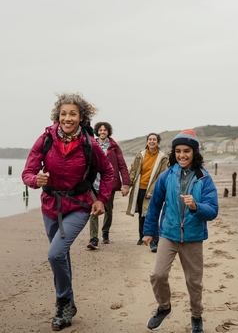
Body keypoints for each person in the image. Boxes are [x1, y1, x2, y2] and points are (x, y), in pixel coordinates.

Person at [21, 92, 114, 331]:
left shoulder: (89, 144)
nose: (67, 117)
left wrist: (102, 199)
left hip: (79, 206)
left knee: (54, 254)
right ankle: (69, 304)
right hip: (50, 205)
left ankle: (62, 303)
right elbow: (28, 172)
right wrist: (36, 180)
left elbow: (108, 172)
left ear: (81, 117)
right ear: (57, 116)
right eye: (63, 113)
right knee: (61, 255)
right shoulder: (45, 139)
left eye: (73, 113)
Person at [143, 129, 218, 333]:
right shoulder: (167, 176)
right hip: (168, 234)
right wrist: (149, 231)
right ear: (173, 152)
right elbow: (155, 205)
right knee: (158, 274)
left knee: (194, 282)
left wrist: (196, 207)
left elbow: (213, 210)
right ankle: (164, 307)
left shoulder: (204, 178)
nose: (182, 155)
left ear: (194, 152)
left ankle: (196, 317)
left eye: (186, 151)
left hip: (193, 237)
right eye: (178, 151)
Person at [87, 122, 130, 249]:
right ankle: (93, 238)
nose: (102, 132)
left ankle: (105, 233)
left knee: (108, 211)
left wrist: (126, 183)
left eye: (105, 130)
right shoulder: (91, 144)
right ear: (97, 131)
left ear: (108, 132)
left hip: (108, 184)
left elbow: (122, 165)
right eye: (100, 130)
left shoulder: (114, 147)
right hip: (93, 183)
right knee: (93, 210)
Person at [125, 133, 168, 252]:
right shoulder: (141, 154)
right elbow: (134, 170)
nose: (152, 141)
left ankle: (154, 242)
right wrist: (128, 185)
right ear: (147, 142)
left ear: (158, 142)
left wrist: (153, 191)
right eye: (150, 139)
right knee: (141, 214)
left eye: (154, 139)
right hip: (140, 188)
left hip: (153, 189)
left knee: (151, 213)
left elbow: (161, 175)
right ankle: (141, 236)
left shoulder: (162, 157)